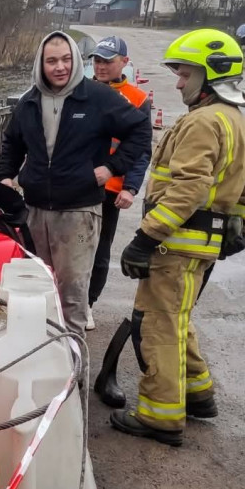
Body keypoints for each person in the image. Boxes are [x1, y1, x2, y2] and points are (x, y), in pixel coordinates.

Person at [112, 29, 245, 446]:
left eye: (185, 74)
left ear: (210, 75)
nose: (179, 82)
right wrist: (240, 226)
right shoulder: (234, 119)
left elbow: (189, 189)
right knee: (178, 320)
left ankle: (159, 415)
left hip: (174, 245)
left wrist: (146, 237)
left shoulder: (204, 121)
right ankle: (198, 395)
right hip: (198, 246)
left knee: (158, 326)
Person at [0, 31, 152, 338]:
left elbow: (140, 133)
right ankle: (40, 364)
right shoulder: (29, 102)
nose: (60, 67)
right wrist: (5, 176)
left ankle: (74, 379)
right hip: (34, 212)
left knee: (71, 303)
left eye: (66, 59)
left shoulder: (97, 98)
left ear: (76, 62)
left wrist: (111, 168)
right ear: (41, 64)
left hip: (78, 213)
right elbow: (11, 143)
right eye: (51, 60)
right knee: (35, 296)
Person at [86, 36, 151, 330]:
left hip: (110, 190)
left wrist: (130, 187)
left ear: (124, 62)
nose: (100, 66)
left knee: (99, 251)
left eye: (107, 61)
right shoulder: (80, 91)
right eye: (97, 60)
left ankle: (87, 303)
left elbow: (141, 149)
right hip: (76, 185)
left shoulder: (137, 99)